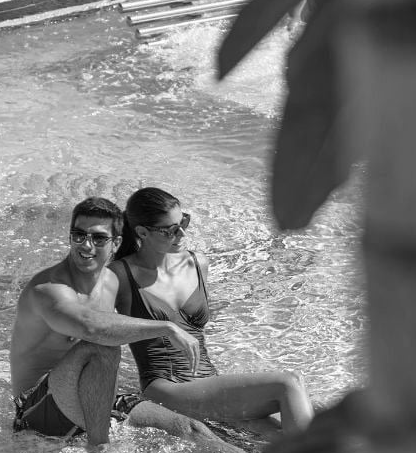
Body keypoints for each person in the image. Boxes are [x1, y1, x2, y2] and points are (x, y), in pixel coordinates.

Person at [9, 196, 248, 453]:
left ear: (116, 243)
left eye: (98, 238)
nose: (86, 245)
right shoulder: (50, 289)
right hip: (40, 409)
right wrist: (166, 327)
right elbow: (91, 328)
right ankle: (99, 450)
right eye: (78, 235)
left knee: (193, 430)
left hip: (92, 398)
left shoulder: (112, 281)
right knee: (102, 347)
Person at [112, 187, 313, 437]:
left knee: (282, 437)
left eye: (183, 221)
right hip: (167, 388)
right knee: (288, 383)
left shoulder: (198, 263)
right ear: (142, 232)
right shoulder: (121, 274)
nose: (182, 233)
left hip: (208, 384)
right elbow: (95, 323)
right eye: (170, 229)